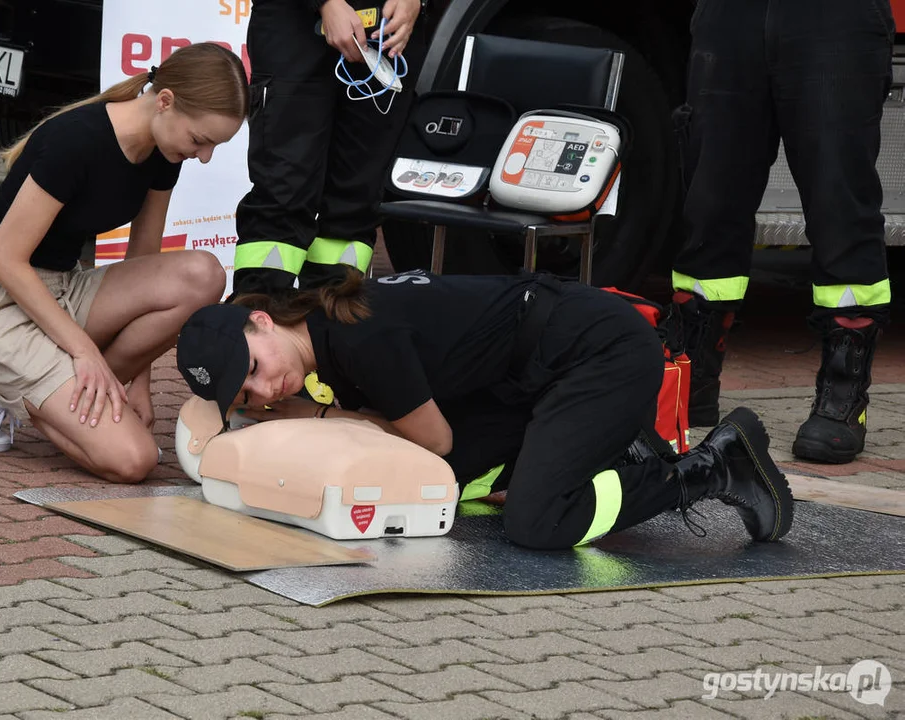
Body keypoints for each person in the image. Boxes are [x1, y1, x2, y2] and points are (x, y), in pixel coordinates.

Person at [175, 270, 794, 551]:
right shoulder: (327, 335)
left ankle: (710, 468)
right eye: (247, 397)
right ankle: (603, 448)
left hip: (599, 351)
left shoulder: (359, 340)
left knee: (537, 524)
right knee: (450, 491)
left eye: (253, 368)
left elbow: (431, 440)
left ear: (261, 319)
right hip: (527, 377)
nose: (264, 392)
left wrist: (313, 424)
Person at [0, 43, 249, 484]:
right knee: (134, 460)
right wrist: (84, 351)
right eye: (200, 141)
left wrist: (138, 386)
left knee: (204, 275)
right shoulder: (78, 139)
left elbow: (142, 265)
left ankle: (60, 384)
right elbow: (6, 260)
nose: (203, 157)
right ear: (164, 102)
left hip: (63, 289)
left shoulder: (164, 153)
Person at [665, 0, 894, 464]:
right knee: (710, 201)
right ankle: (692, 379)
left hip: (836, 16)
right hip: (730, 16)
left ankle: (843, 398)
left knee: (839, 203)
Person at [230, 0, 425, 296]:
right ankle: (257, 319)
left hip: (386, 33)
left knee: (357, 198)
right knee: (282, 192)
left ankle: (332, 326)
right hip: (295, 24)